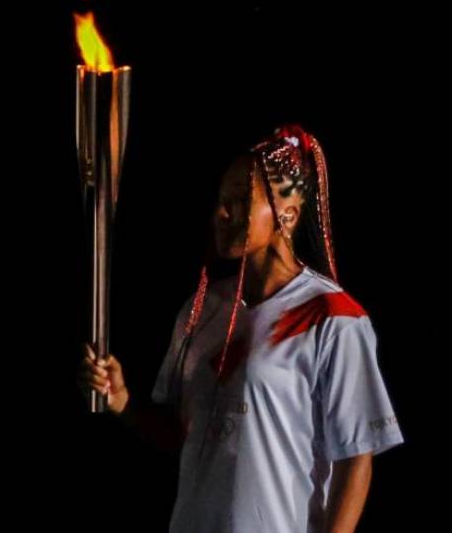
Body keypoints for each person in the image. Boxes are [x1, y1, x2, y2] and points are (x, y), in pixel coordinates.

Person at [79, 124, 404, 532]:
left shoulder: (333, 317)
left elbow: (356, 459)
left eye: (238, 200)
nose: (221, 212)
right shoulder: (202, 307)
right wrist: (122, 400)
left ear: (286, 214)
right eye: (220, 199)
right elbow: (185, 437)